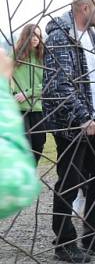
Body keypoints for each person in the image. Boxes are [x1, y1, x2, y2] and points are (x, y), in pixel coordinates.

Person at [43, 0, 95, 262]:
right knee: (70, 179)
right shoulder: (60, 36)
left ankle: (93, 236)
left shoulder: (91, 36)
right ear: (85, 9)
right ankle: (64, 242)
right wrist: (82, 117)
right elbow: (60, 85)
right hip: (72, 122)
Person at [0, 48, 40, 219]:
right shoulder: (17, 57)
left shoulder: (40, 58)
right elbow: (14, 185)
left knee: (37, 142)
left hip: (36, 107)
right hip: (21, 107)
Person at [11, 24, 45, 164]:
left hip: (38, 108)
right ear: (25, 36)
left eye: (38, 35)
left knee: (39, 144)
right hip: (19, 108)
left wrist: (29, 93)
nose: (35, 38)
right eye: (32, 35)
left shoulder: (43, 57)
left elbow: (48, 84)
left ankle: (29, 172)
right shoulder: (15, 55)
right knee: (24, 146)